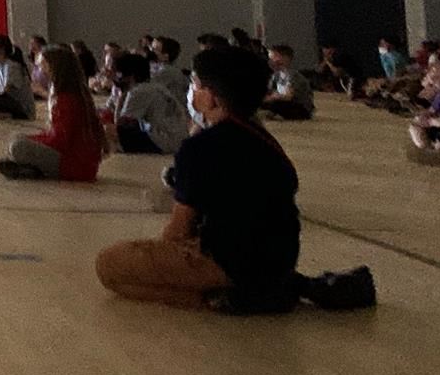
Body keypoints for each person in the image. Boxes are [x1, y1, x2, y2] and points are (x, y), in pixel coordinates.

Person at [95, 47, 301, 311]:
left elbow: (179, 229)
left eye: (195, 84)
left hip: (230, 261)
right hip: (280, 261)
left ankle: (216, 299)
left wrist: (163, 254)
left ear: (212, 98)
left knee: (109, 265)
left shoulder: (201, 147)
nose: (191, 91)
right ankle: (252, 291)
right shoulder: (265, 140)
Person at [0, 48, 105, 182]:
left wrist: (32, 140)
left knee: (18, 146)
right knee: (18, 138)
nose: (40, 70)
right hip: (79, 161)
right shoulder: (71, 93)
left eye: (42, 65)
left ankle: (33, 168)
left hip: (74, 164)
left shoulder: (66, 99)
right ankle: (30, 169)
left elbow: (59, 140)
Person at [109, 53, 188, 156]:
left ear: (130, 76)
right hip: (177, 138)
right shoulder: (156, 87)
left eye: (118, 74)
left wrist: (121, 96)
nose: (116, 78)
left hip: (165, 142)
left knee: (109, 132)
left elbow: (120, 125)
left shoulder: (138, 92)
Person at [260, 45, 315, 121]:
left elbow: (288, 96)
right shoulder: (277, 75)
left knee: (275, 104)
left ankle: (270, 114)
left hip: (300, 108)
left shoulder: (293, 76)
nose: (271, 60)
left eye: (275, 56)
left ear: (285, 58)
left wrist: (272, 97)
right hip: (286, 103)